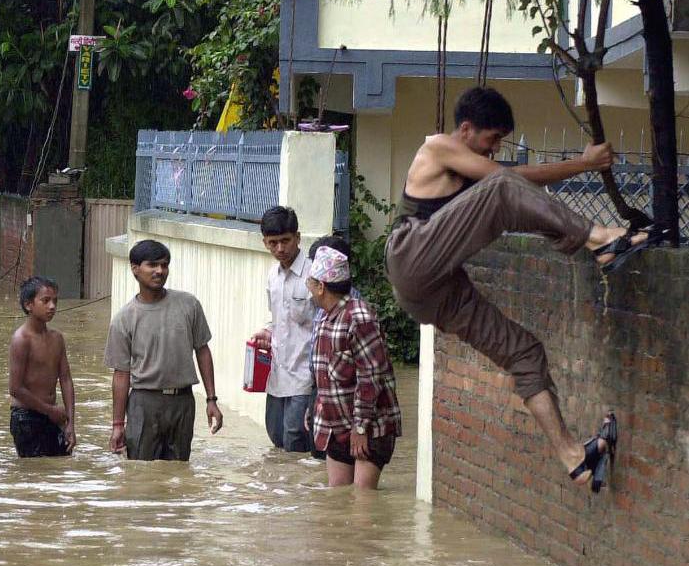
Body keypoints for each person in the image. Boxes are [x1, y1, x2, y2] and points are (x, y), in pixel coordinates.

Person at [386, 86, 629, 492]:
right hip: (410, 256)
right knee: (503, 187)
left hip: (433, 290)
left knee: (525, 353)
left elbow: (514, 185)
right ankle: (598, 238)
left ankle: (574, 458)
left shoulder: (473, 173)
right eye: (491, 139)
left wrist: (579, 168)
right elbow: (508, 181)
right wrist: (582, 164)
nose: (494, 149)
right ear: (466, 129)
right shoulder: (438, 147)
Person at [104, 240, 222, 461]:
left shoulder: (189, 305)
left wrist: (211, 399)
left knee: (178, 472)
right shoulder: (123, 319)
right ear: (135, 268)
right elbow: (121, 374)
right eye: (152, 265)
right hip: (143, 403)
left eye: (164, 265)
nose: (160, 271)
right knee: (141, 473)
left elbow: (203, 351)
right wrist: (118, 425)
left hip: (183, 402)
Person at [305, 247, 402, 489]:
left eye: (310, 281)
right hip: (336, 426)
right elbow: (323, 375)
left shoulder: (359, 317)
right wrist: (315, 408)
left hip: (370, 427)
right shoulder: (324, 318)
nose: (307, 286)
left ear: (321, 286)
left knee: (363, 504)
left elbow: (371, 377)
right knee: (337, 501)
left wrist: (360, 427)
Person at [248, 206, 318, 453]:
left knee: (295, 441)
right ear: (265, 242)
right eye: (273, 242)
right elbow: (277, 319)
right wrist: (267, 332)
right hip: (277, 375)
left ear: (297, 238)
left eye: (286, 241)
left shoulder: (314, 274)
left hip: (305, 378)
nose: (280, 249)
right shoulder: (272, 276)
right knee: (276, 437)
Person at [8, 276, 76, 457]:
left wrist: (70, 423)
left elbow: (66, 379)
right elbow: (15, 388)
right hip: (26, 417)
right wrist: (50, 410)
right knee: (35, 474)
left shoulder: (57, 338)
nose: (52, 306)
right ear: (29, 305)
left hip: (54, 417)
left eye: (55, 301)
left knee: (58, 471)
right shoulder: (21, 339)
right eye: (45, 301)